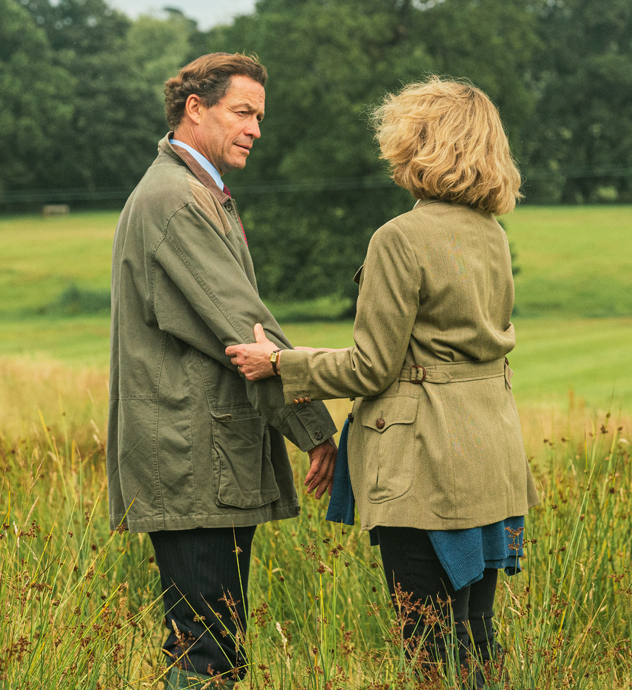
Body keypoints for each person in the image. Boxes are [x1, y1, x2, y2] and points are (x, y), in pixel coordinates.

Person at [226, 77, 541, 686]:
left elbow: (371, 367)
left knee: (429, 650)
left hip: (426, 466)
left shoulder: (399, 237)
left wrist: (281, 365)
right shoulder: (491, 234)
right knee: (476, 642)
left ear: (418, 142)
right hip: (491, 456)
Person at [106, 53, 339, 689]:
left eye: (260, 116)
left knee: (214, 645)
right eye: (243, 112)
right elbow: (245, 329)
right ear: (195, 109)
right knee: (206, 652)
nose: (256, 128)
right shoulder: (178, 200)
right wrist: (316, 427)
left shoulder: (191, 191)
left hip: (203, 458)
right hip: (191, 459)